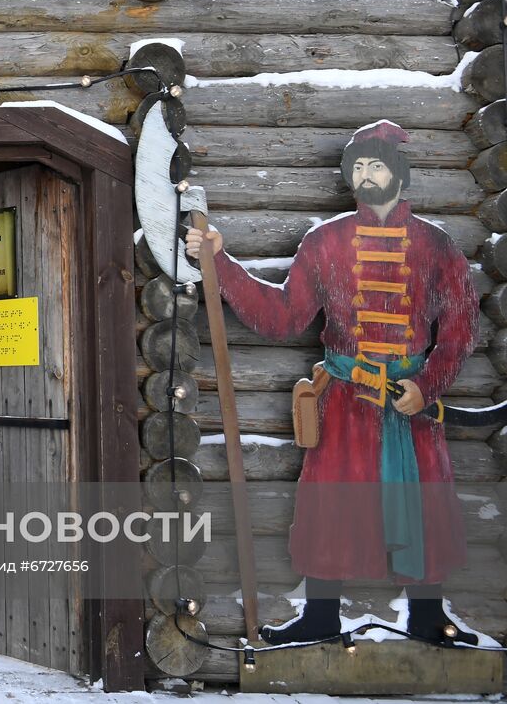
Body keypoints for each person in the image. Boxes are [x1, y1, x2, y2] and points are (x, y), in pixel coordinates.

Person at [185, 120, 477, 645]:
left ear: (399, 174)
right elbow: (283, 316)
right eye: (359, 167)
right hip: (345, 400)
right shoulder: (325, 242)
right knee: (329, 505)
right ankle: (320, 617)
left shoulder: (437, 245)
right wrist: (220, 263)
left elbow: (459, 328)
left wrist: (427, 386)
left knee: (421, 503)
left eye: (377, 165)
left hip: (408, 403)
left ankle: (429, 617)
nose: (367, 176)